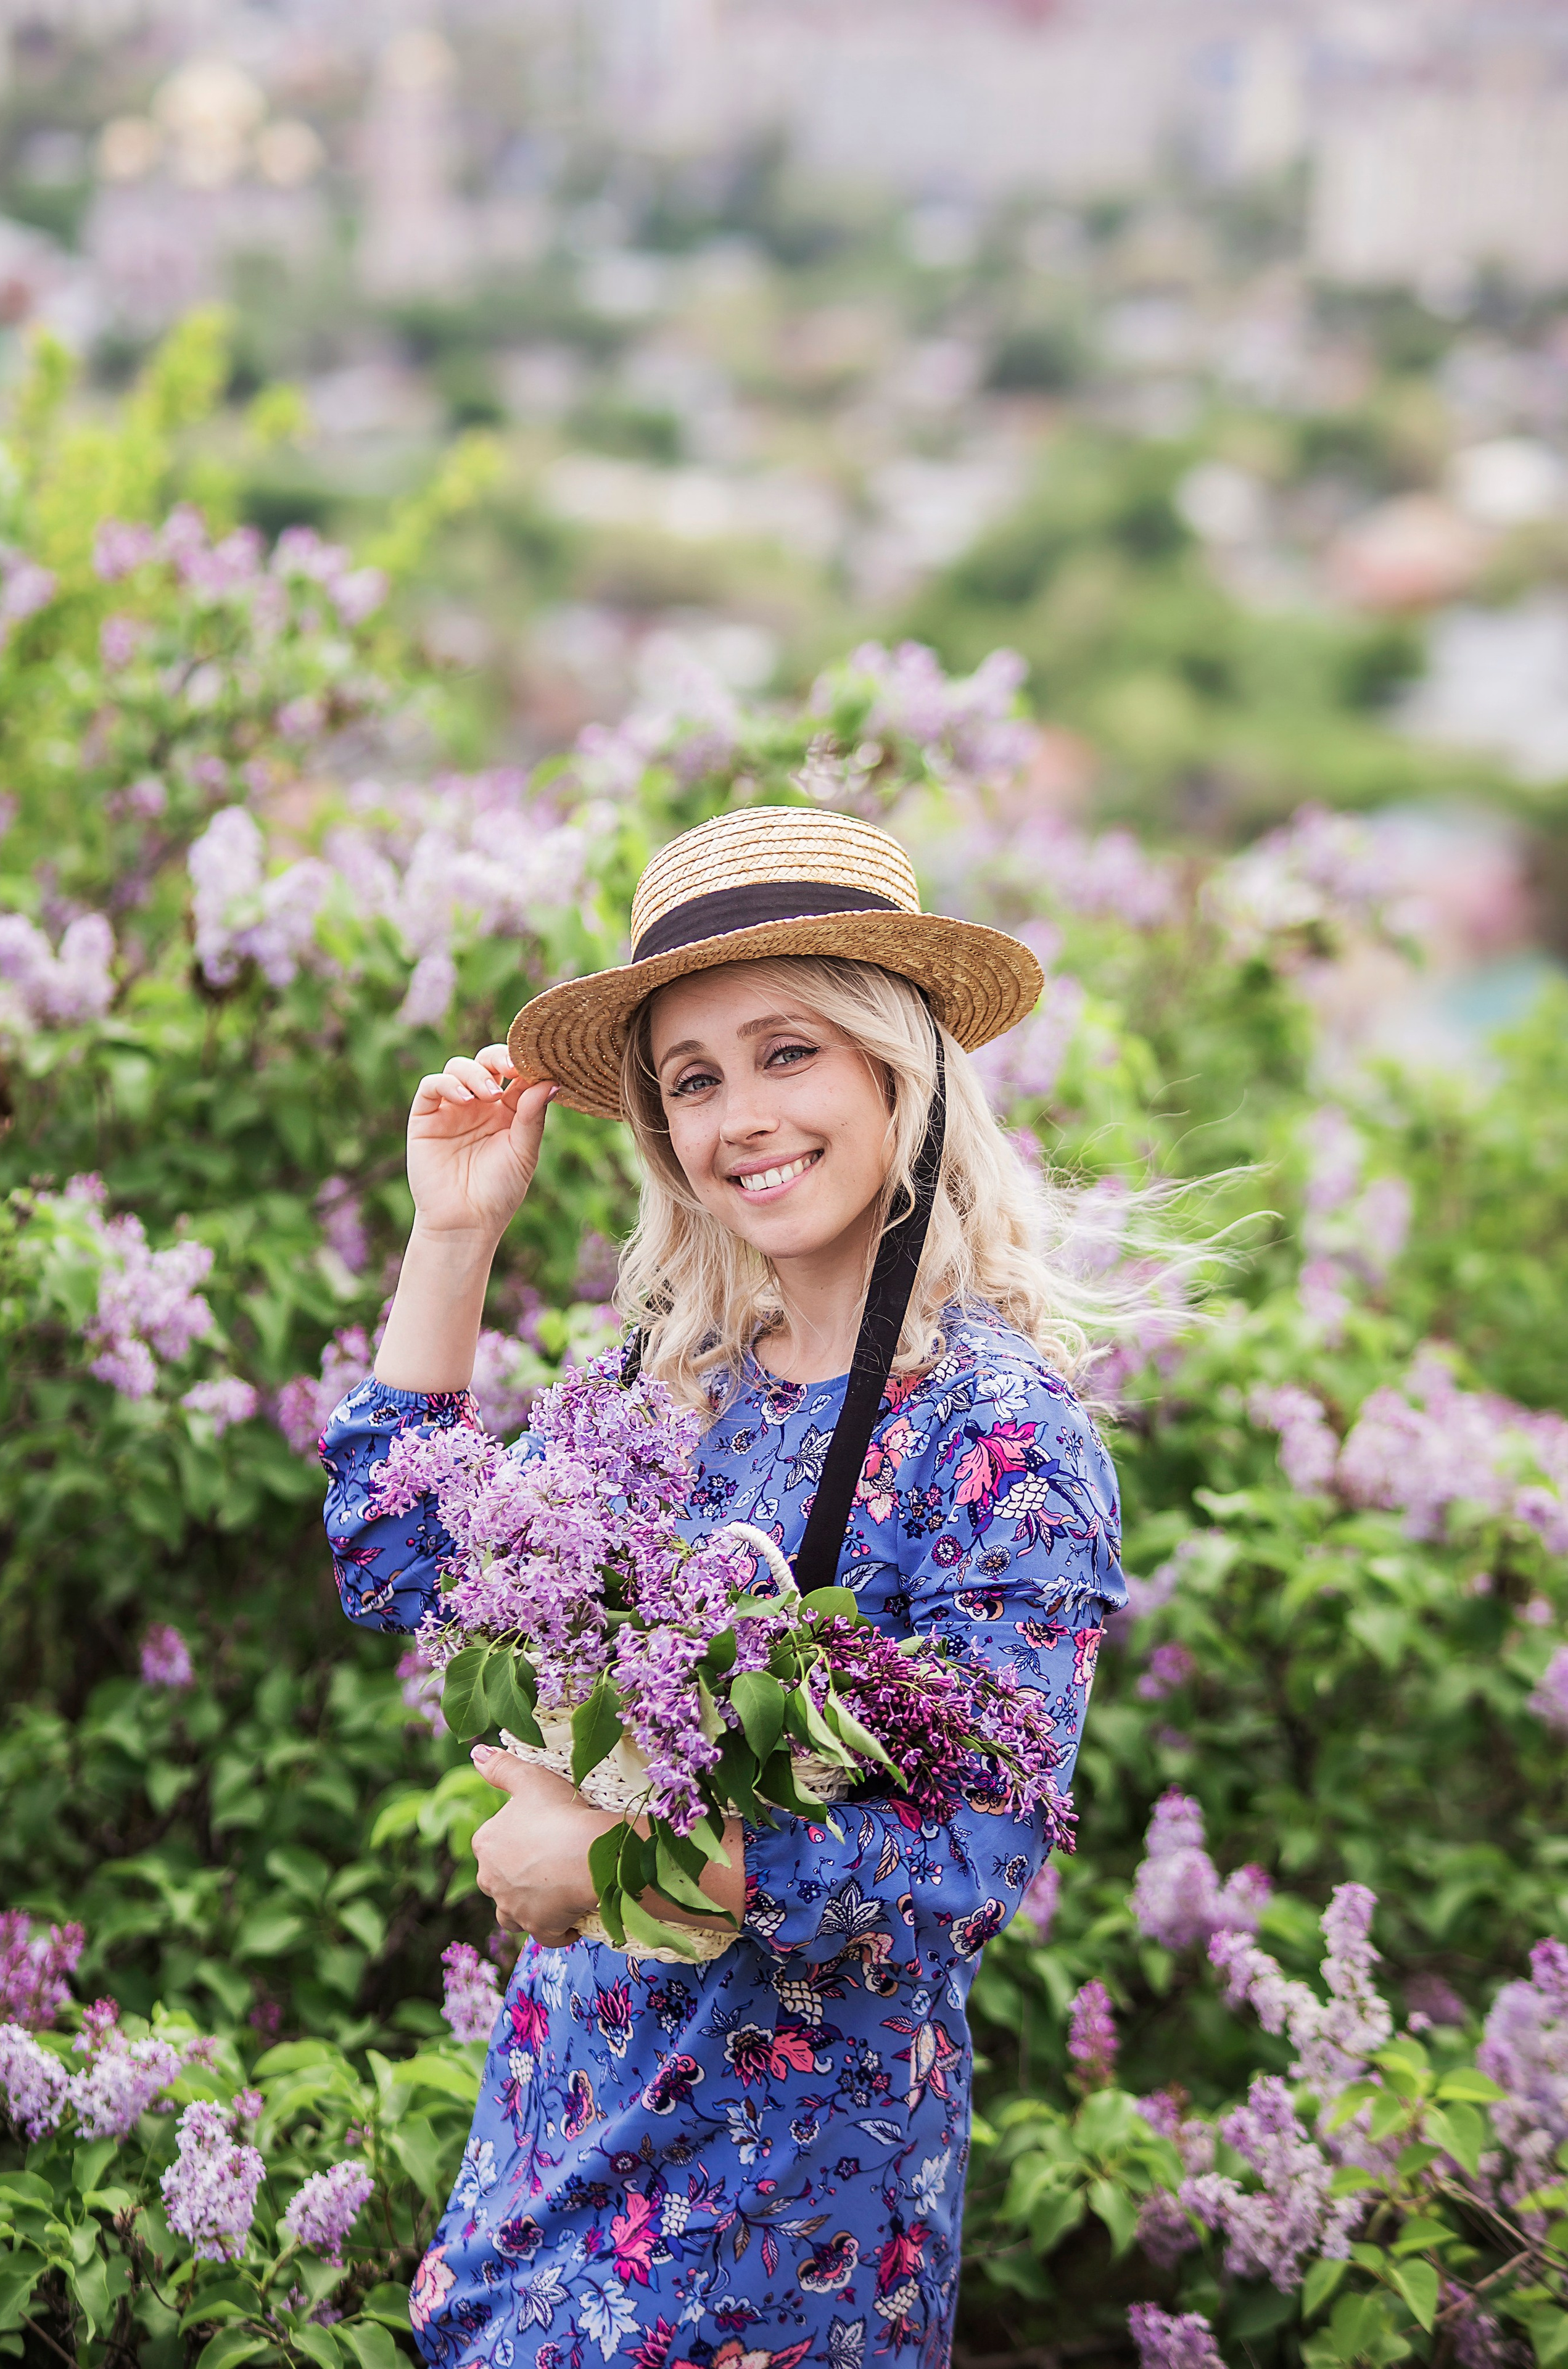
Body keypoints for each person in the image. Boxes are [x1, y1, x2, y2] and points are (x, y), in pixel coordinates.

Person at [321, 806, 1127, 2369]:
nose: (740, 1116)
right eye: (693, 1081)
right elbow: (397, 1563)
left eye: (787, 1054)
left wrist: (620, 1860)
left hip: (773, 2246)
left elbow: (971, 1855)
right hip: (543, 2192)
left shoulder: (996, 1435)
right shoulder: (673, 1385)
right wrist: (451, 1235)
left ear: (903, 1073)